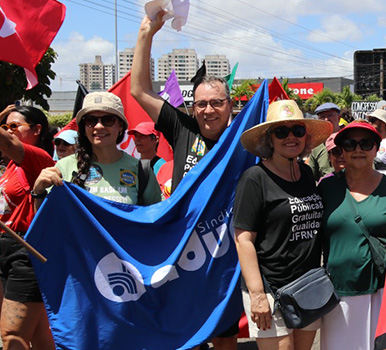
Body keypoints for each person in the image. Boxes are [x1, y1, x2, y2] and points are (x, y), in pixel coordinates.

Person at [132, 12, 241, 346]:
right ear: (192, 108)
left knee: (224, 332)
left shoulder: (244, 138)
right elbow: (139, 89)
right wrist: (146, 34)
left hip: (224, 248)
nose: (208, 110)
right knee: (182, 330)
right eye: (201, 104)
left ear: (231, 104)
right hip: (182, 248)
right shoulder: (182, 127)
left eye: (216, 103)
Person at [232, 100, 332, 350]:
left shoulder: (306, 174)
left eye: (297, 130)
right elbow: (243, 239)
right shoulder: (255, 179)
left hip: (308, 286)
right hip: (270, 289)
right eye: (281, 131)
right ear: (269, 139)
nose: (290, 137)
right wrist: (257, 295)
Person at [317, 121, 386, 349]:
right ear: (341, 151)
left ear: (376, 148)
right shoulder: (326, 188)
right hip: (338, 292)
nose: (358, 149)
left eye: (366, 143)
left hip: (382, 290)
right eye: (350, 144)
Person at [33, 92, 161, 206]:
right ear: (84, 127)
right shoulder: (64, 167)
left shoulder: (141, 171)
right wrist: (38, 192)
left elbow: (155, 219)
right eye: (91, 120)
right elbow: (47, 222)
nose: (99, 126)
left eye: (108, 120)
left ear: (120, 126)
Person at [0, 104, 55, 350]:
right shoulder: (10, 165)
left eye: (14, 126)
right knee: (40, 335)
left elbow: (9, 144)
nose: (8, 132)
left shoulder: (39, 158)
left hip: (26, 250)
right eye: (4, 127)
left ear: (36, 130)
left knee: (12, 336)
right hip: (4, 248)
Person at [306, 103, 342, 180]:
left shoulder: (350, 142)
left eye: (330, 115)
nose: (326, 119)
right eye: (322, 117)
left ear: (339, 118)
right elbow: (312, 177)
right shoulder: (317, 147)